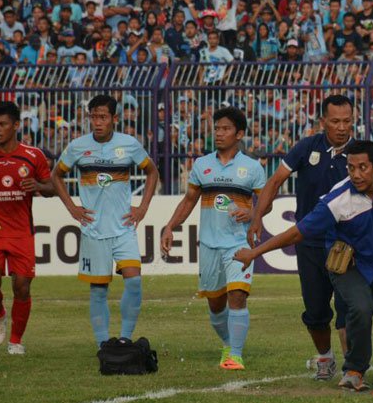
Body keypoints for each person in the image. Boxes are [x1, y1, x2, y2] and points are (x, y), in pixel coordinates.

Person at [235, 140, 373, 396]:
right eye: (351, 168)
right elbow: (296, 233)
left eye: (362, 167)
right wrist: (255, 252)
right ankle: (354, 371)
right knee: (362, 307)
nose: (355, 174)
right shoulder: (337, 200)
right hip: (348, 266)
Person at [249, 94, 355, 381]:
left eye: (347, 121)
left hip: (348, 244)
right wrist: (258, 216)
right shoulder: (306, 148)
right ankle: (325, 358)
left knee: (349, 308)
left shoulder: (361, 153)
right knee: (316, 310)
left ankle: (352, 368)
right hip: (309, 243)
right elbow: (275, 181)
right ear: (323, 122)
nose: (342, 127)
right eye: (335, 121)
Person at [161, 107, 266, 370]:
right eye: (217, 128)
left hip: (238, 244)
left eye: (226, 129)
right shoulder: (202, 164)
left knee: (238, 296)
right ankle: (229, 345)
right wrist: (170, 226)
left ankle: (236, 356)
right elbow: (189, 200)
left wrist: (252, 211)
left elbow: (266, 204)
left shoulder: (252, 167)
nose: (219, 133)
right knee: (216, 305)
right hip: (208, 244)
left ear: (239, 133)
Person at [51, 94, 160, 347]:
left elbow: (152, 171)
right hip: (93, 230)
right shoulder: (78, 146)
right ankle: (103, 346)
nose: (97, 122)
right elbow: (55, 176)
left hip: (123, 227)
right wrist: (72, 208)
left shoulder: (129, 144)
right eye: (93, 117)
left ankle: (124, 340)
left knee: (134, 282)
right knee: (98, 291)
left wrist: (142, 207)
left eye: (103, 117)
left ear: (114, 118)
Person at [0, 102, 54, 355]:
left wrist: (36, 185)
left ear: (16, 125)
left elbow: (52, 188)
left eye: (2, 124)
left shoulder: (33, 155)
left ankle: (16, 341)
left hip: (21, 232)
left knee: (22, 287)